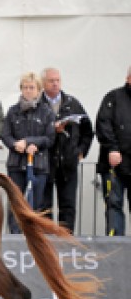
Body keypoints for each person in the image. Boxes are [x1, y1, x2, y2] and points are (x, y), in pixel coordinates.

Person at [39, 67, 93, 233]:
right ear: (43, 83)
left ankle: (66, 244)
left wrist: (81, 151)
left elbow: (87, 130)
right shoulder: (37, 104)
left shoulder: (72, 103)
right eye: (51, 81)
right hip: (45, 163)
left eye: (58, 80)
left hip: (68, 163)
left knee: (68, 206)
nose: (55, 84)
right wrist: (50, 130)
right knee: (44, 206)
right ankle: (46, 243)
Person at [1, 72, 55, 233]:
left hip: (38, 166)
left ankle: (34, 236)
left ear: (38, 90)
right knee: (15, 203)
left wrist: (32, 143)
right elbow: (5, 134)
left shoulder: (46, 112)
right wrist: (14, 144)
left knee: (36, 205)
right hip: (16, 165)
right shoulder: (13, 111)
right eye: (25, 87)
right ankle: (15, 237)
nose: (28, 91)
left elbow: (50, 138)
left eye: (32, 87)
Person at [95, 65, 131, 236]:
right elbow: (103, 124)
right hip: (113, 165)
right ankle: (115, 244)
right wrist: (112, 148)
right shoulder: (113, 98)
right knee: (113, 204)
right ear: (128, 78)